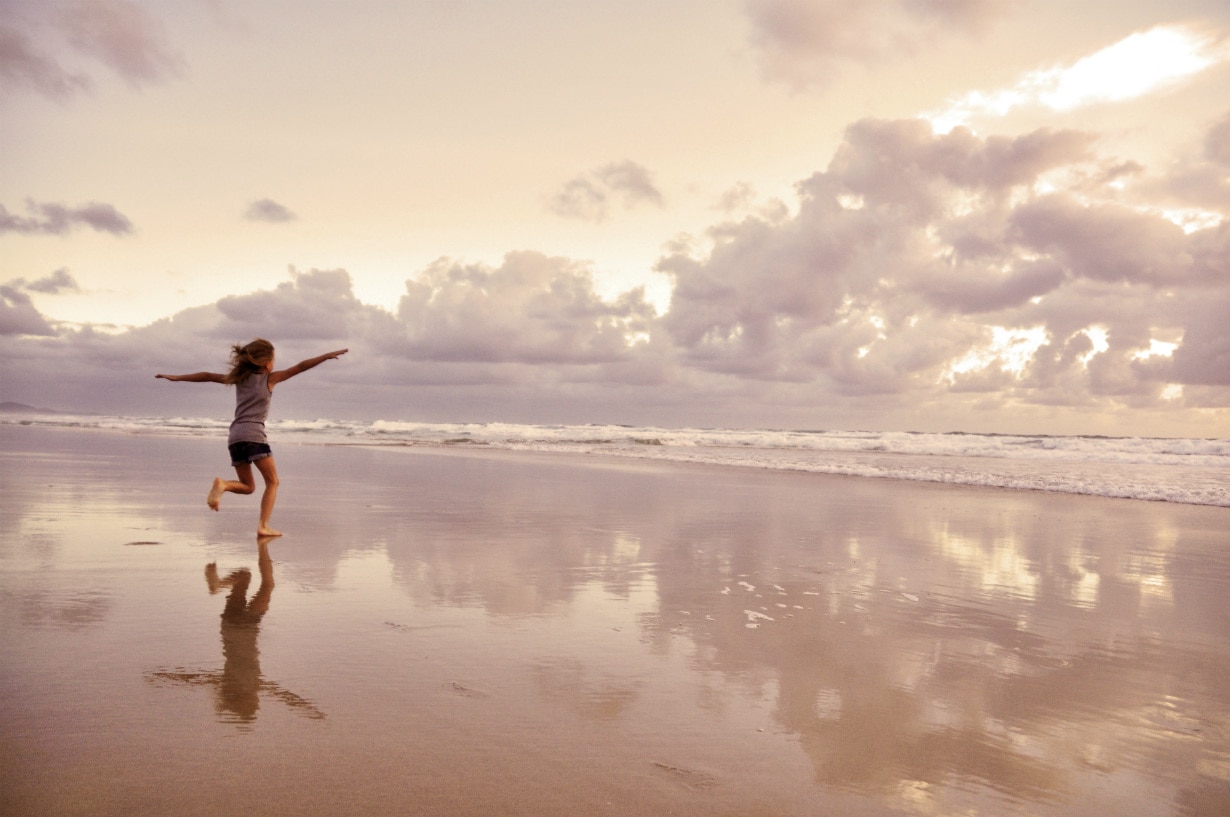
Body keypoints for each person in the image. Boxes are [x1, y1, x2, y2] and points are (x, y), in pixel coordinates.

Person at [156, 339, 348, 537]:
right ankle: (263, 526)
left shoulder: (238, 378)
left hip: (235, 436)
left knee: (248, 487)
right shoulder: (269, 379)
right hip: (254, 435)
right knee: (273, 482)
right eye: (273, 359)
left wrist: (177, 377)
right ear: (266, 363)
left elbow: (207, 376)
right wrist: (325, 356)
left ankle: (224, 484)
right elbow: (300, 367)